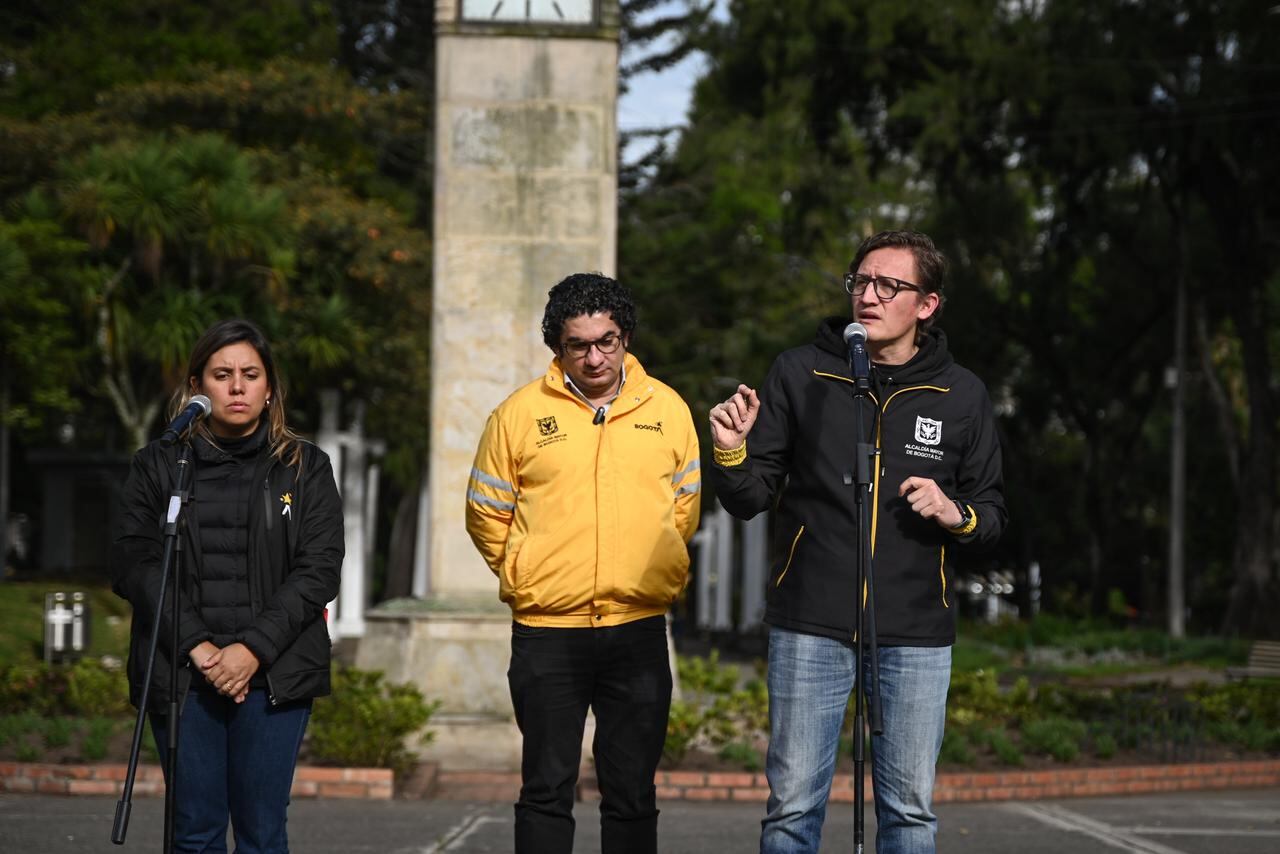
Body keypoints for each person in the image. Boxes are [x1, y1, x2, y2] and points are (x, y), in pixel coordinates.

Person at [708, 231, 1006, 854]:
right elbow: (751, 497)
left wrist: (957, 514)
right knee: (791, 809)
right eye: (861, 283)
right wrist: (731, 452)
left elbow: (993, 516)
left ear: (927, 305)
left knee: (910, 813)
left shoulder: (962, 393)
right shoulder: (801, 372)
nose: (868, 296)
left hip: (915, 632)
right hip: (809, 623)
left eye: (888, 286)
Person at [465, 272, 702, 854]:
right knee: (546, 788)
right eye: (579, 345)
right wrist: (529, 573)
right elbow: (485, 515)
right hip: (548, 633)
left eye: (608, 341)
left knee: (632, 792)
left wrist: (650, 571)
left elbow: (684, 508)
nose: (595, 357)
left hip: (637, 630)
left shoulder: (668, 409)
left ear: (625, 338)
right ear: (558, 347)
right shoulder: (516, 415)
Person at [111, 318, 343, 854]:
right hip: (184, 674)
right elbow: (133, 562)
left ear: (269, 390)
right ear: (197, 386)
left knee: (262, 835)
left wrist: (250, 651)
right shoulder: (158, 465)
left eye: (250, 374)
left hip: (273, 677)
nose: (236, 387)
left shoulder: (305, 467)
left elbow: (319, 569)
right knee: (193, 833)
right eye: (221, 374)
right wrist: (200, 646)